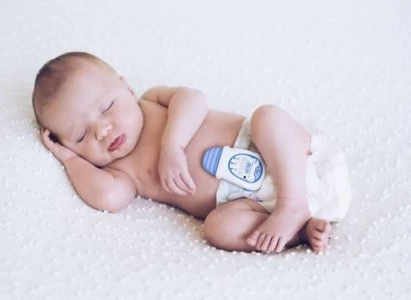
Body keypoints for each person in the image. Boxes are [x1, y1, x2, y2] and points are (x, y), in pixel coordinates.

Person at [32, 51, 352, 253]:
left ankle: (292, 201)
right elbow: (108, 199)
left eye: (107, 107)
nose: (103, 130)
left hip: (288, 159)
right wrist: (70, 160)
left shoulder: (152, 99)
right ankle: (299, 229)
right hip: (251, 205)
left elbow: (194, 99)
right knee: (217, 229)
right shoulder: (120, 172)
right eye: (81, 135)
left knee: (266, 117)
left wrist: (173, 144)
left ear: (126, 87)